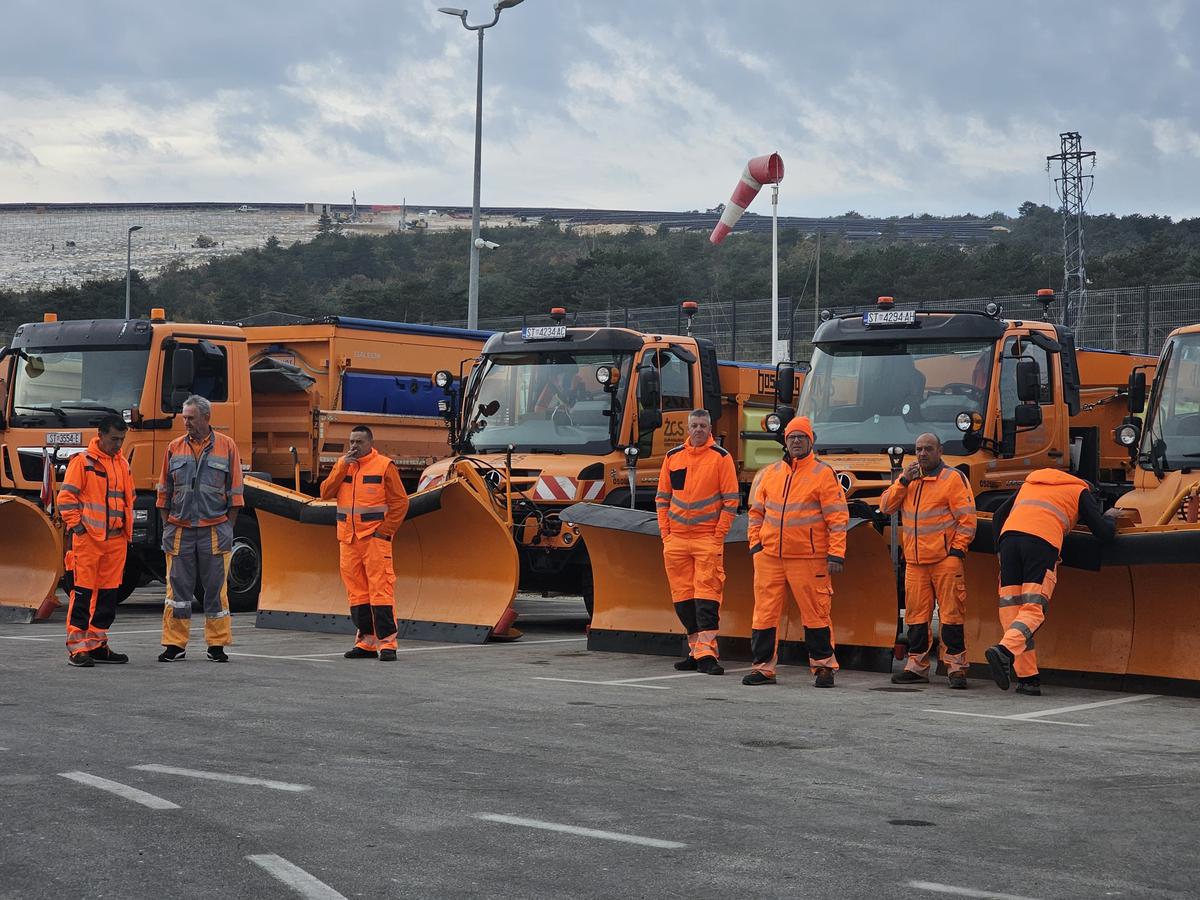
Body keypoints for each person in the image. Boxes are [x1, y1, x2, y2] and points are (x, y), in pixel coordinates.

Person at [984, 469, 1120, 695]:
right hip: (1040, 543)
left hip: (1009, 542)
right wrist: (1110, 517)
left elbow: (999, 516)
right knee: (1034, 609)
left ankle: (1028, 678)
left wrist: (999, 549)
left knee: (1012, 609)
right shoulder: (1080, 490)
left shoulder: (1032, 483)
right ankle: (1004, 650)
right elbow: (1103, 533)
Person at [744, 416, 849, 688]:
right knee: (764, 613)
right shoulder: (770, 474)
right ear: (785, 441)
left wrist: (836, 554)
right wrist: (755, 545)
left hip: (809, 558)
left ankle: (824, 667)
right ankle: (763, 668)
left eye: (801, 437)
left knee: (816, 613)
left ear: (810, 441)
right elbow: (756, 513)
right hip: (769, 557)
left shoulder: (823, 474)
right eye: (792, 437)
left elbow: (838, 519)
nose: (796, 441)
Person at [879, 433, 976, 688]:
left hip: (945, 560)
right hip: (915, 562)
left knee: (952, 616)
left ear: (940, 451)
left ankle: (956, 668)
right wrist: (902, 480)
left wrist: (957, 551)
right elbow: (886, 506)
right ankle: (917, 666)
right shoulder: (909, 481)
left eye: (928, 449)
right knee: (916, 618)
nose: (922, 454)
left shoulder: (953, 479)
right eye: (919, 449)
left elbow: (967, 519)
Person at [157, 395, 245, 662]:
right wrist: (167, 525)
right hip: (179, 529)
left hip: (215, 530)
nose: (186, 423)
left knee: (216, 589)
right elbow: (164, 491)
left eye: (190, 418)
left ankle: (216, 645)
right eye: (184, 418)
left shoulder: (227, 447)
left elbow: (236, 493)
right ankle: (175, 645)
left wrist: (227, 527)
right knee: (176, 592)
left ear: (206, 418)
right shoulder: (173, 447)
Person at [655, 408, 740, 675]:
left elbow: (731, 501)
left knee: (707, 598)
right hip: (676, 540)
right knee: (683, 600)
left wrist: (718, 536)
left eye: (703, 425)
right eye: (695, 425)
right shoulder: (672, 457)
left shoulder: (721, 458)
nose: (699, 430)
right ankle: (695, 651)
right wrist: (666, 534)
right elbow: (662, 499)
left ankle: (707, 655)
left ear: (710, 428)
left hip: (706, 539)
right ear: (687, 428)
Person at [320, 424, 409, 661]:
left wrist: (384, 532)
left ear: (370, 443)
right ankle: (366, 642)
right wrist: (341, 466)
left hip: (374, 540)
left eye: (359, 442)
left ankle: (387, 644)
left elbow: (401, 503)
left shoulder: (384, 466)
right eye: (351, 441)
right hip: (348, 540)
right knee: (357, 594)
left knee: (381, 591)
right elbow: (325, 492)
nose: (354, 446)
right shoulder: (343, 465)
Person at [56, 415, 136, 667]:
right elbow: (66, 498)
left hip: (115, 541)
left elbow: (128, 499)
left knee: (107, 598)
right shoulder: (83, 462)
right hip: (89, 541)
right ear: (100, 435)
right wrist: (79, 528)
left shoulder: (121, 462)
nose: (118, 444)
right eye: (114, 439)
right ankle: (78, 649)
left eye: (122, 439)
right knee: (82, 595)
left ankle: (97, 645)